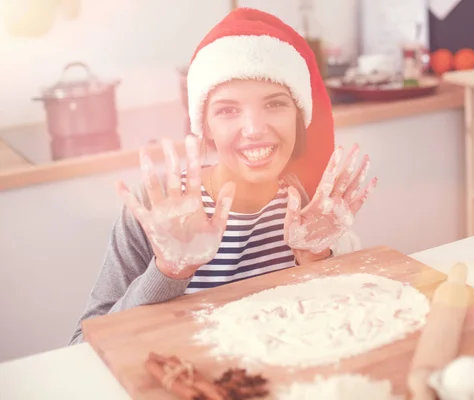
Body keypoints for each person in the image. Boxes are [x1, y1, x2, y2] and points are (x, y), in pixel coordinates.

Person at [69, 8, 377, 345]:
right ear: (206, 126)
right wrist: (169, 270)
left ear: (298, 116)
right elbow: (81, 347)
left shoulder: (311, 205)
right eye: (228, 110)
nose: (255, 129)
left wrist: (315, 259)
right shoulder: (157, 212)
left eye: (275, 104)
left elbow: (350, 326)